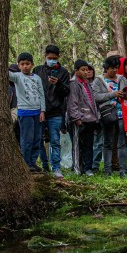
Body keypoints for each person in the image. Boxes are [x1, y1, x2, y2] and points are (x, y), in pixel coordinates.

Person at [33, 45, 71, 178]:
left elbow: (66, 92)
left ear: (58, 57)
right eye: (49, 58)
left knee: (55, 141)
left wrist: (58, 84)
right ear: (45, 57)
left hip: (56, 112)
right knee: (39, 140)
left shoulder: (64, 72)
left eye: (54, 58)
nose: (52, 60)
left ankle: (56, 168)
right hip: (39, 111)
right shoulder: (37, 70)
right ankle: (44, 166)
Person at [92, 56, 127, 177]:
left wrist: (125, 95)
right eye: (112, 68)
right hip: (107, 115)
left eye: (116, 68)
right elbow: (95, 97)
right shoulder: (99, 80)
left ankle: (123, 170)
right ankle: (107, 170)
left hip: (122, 114)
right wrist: (112, 94)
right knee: (108, 143)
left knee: (122, 144)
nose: (114, 70)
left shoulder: (122, 79)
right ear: (106, 68)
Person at [9, 52, 47, 172]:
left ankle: (32, 162)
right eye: (22, 64)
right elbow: (6, 74)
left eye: (27, 64)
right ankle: (26, 163)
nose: (25, 66)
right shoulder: (17, 76)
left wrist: (42, 110)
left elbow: (41, 95)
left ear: (32, 64)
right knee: (27, 139)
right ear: (18, 65)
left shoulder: (37, 78)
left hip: (37, 112)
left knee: (37, 139)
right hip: (25, 112)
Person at [68, 60, 100, 176]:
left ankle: (88, 168)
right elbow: (72, 103)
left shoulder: (87, 83)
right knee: (78, 145)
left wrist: (96, 118)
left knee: (89, 145)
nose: (86, 72)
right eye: (83, 70)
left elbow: (92, 102)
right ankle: (77, 168)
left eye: (87, 70)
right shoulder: (74, 84)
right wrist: (76, 118)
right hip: (80, 120)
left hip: (90, 119)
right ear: (76, 71)